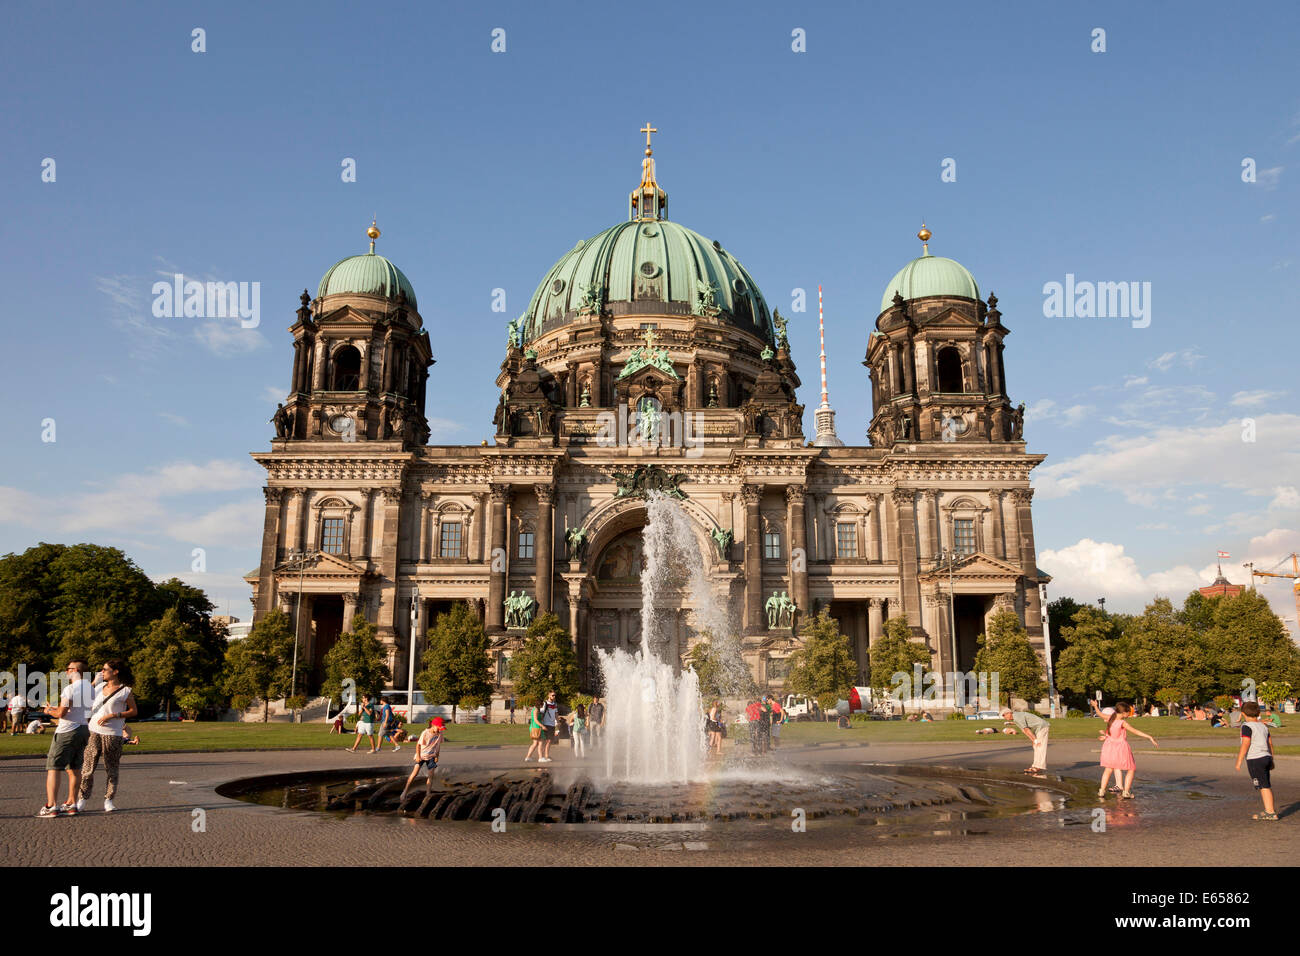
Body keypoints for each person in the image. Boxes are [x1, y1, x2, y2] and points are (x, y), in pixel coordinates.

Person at [77, 659, 137, 813]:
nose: (101, 672)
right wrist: (92, 683)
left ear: (115, 672)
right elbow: (82, 699)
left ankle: (109, 800)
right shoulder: (98, 687)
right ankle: (82, 799)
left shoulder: (125, 691)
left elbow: (133, 711)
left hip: (113, 734)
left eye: (104, 669)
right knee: (87, 768)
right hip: (93, 731)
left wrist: (114, 715)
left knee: (111, 769)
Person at [37, 659, 94, 817]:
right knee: (74, 768)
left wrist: (49, 711)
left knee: (54, 767)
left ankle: (52, 806)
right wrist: (57, 709)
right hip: (83, 728)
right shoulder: (90, 688)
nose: (66, 672)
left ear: (75, 670)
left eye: (68, 669)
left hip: (67, 731)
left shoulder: (71, 688)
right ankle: (71, 803)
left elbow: (61, 714)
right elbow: (81, 710)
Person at [1096, 701, 1158, 799]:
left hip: (1108, 747)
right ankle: (1126, 792)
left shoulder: (1110, 718)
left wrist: (1095, 706)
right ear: (1124, 712)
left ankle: (1101, 791)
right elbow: (1135, 731)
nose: (1129, 715)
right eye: (1128, 713)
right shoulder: (1122, 722)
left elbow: (1099, 714)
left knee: (1108, 769)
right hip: (1120, 747)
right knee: (1131, 768)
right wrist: (1149, 737)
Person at [1236, 701, 1277, 820]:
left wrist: (1239, 761)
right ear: (1258, 713)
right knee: (1265, 784)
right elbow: (1269, 743)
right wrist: (1272, 759)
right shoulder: (1263, 726)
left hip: (1255, 758)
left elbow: (1246, 743)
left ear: (1243, 714)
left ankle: (1270, 812)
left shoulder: (1246, 726)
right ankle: (1268, 810)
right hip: (1266, 756)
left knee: (1264, 785)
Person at [400, 717, 445, 802]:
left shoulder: (440, 733)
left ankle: (428, 794)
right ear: (433, 725)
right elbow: (418, 745)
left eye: (441, 728)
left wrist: (437, 756)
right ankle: (404, 791)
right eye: (439, 728)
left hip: (431, 756)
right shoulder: (425, 733)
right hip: (421, 755)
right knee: (414, 773)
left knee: (431, 775)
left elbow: (438, 746)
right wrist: (418, 756)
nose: (440, 730)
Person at [1001, 706, 1051, 775]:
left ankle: (1038, 766)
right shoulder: (1016, 719)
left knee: (1040, 746)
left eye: (1004, 715)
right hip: (1038, 729)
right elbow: (1025, 731)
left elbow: (1027, 729)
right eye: (1003, 716)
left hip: (1042, 727)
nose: (1004, 717)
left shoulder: (1017, 717)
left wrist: (1035, 740)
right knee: (1036, 746)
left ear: (1009, 713)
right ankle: (1035, 765)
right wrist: (1033, 740)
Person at [524, 697, 547, 763]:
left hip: (535, 727)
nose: (543, 705)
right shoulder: (536, 710)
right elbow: (536, 720)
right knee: (540, 743)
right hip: (537, 727)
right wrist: (542, 726)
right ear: (540, 703)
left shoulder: (536, 709)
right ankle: (540, 758)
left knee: (535, 743)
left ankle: (528, 757)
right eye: (542, 703)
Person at [539, 690, 559, 762]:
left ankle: (546, 755)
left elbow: (556, 713)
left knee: (549, 741)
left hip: (552, 724)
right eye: (552, 695)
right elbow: (541, 712)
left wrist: (558, 721)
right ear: (549, 695)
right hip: (546, 724)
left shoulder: (555, 704)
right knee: (546, 741)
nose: (554, 697)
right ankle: (543, 756)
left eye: (554, 695)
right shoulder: (545, 703)